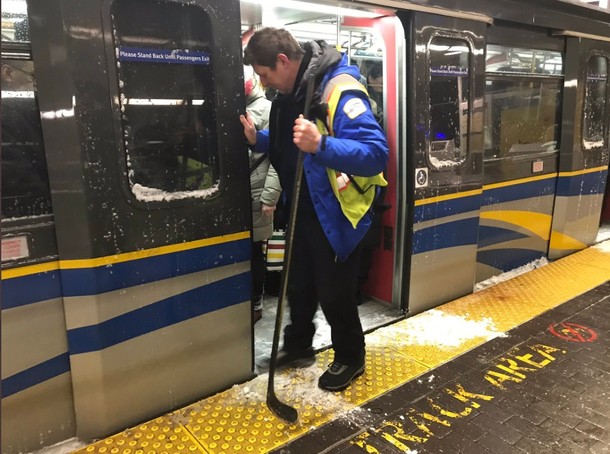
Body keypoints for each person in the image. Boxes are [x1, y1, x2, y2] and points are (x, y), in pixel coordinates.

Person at [240, 27, 389, 391]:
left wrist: (321, 144)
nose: (264, 82)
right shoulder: (293, 92)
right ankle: (299, 346)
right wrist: (258, 140)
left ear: (283, 60)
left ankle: (351, 357)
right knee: (300, 284)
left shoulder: (339, 89)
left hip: (336, 211)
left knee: (334, 291)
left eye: (264, 73)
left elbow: (375, 154)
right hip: (302, 208)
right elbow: (293, 145)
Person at [244, 65, 282, 323]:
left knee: (255, 252)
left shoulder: (267, 109)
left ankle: (256, 304)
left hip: (259, 192)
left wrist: (269, 197)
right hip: (243, 189)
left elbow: (278, 159)